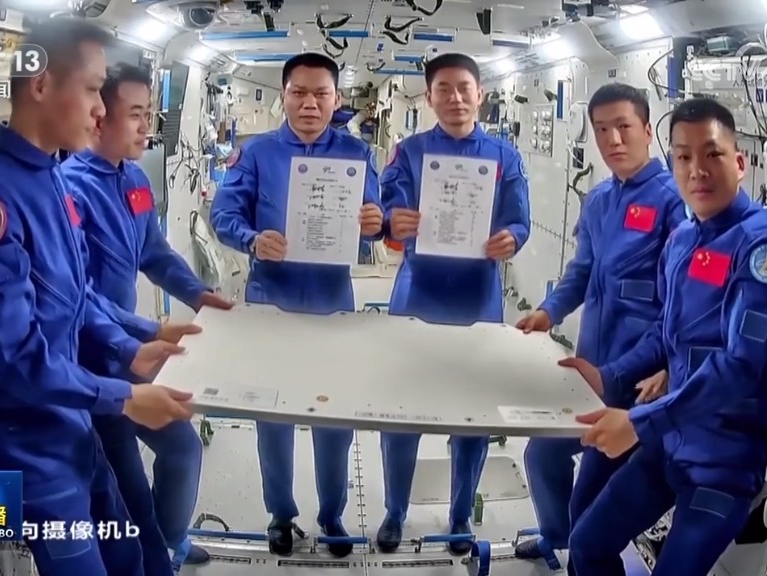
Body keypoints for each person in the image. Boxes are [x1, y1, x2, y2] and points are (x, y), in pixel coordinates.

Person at [0, 18, 196, 576]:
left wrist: (140, 341)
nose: (101, 109)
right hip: (32, 453)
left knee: (129, 559)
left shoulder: (51, 178)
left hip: (75, 430)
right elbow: (16, 359)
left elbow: (78, 294)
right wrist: (123, 398)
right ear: (40, 85)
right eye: (91, 89)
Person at [563, 97, 767, 576]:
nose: (697, 170)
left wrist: (640, 423)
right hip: (668, 448)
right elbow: (665, 334)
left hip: (721, 466)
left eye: (712, 154)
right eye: (683, 157)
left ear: (740, 163)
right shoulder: (683, 241)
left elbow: (739, 368)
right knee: (586, 545)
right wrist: (608, 377)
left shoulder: (762, 249)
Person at [208, 52, 384, 558]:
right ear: (283, 96)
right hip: (272, 301)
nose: (310, 103)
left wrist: (376, 224)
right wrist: (251, 239)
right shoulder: (256, 152)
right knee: (273, 416)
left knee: (335, 417)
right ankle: (281, 515)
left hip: (333, 302)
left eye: (320, 94)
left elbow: (377, 217)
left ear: (336, 98)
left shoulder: (357, 154)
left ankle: (332, 515)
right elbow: (224, 213)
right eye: (299, 93)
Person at [60, 63, 233, 573]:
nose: (147, 126)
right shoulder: (70, 191)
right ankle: (153, 558)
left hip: (129, 353)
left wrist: (200, 295)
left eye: (150, 113)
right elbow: (78, 295)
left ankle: (170, 542)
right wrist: (141, 334)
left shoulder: (133, 179)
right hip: (88, 361)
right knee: (128, 494)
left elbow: (154, 253)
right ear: (99, 117)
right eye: (135, 114)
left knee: (182, 450)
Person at [512, 83, 686, 567]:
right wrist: (548, 312)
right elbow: (582, 272)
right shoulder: (600, 199)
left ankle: (581, 552)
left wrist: (656, 369)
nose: (613, 139)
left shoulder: (674, 203)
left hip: (637, 385)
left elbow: (682, 310)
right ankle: (558, 539)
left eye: (623, 126)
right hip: (591, 374)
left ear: (647, 130)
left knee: (589, 513)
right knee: (542, 455)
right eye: (602, 129)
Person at [377, 52, 531, 555]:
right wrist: (393, 221)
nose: (455, 98)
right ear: (429, 97)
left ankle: (460, 515)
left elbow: (520, 220)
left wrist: (512, 236)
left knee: (473, 417)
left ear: (480, 94)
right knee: (402, 413)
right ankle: (395, 511)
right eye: (443, 88)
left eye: (464, 87)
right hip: (418, 291)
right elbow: (387, 206)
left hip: (477, 297)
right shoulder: (409, 152)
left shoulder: (505, 157)